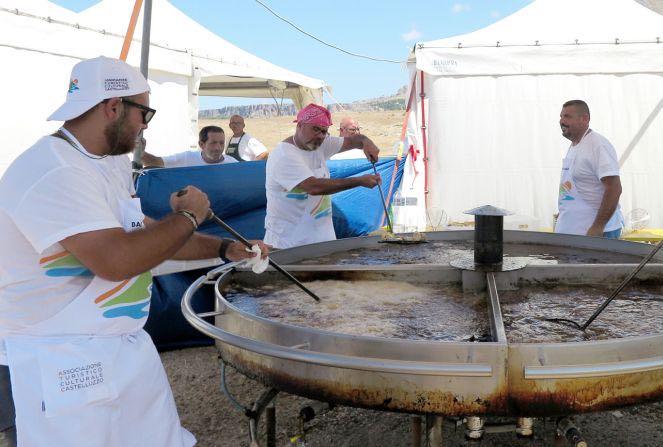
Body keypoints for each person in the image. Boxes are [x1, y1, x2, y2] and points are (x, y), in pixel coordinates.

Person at [0, 57, 267, 446]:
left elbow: (142, 236)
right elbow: (116, 259)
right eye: (145, 112)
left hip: (119, 345)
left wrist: (227, 248)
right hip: (57, 359)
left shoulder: (110, 164)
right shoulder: (52, 170)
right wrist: (191, 216)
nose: (145, 125)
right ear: (113, 107)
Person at [264, 103, 380, 249]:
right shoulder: (284, 155)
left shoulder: (320, 144)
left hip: (323, 244)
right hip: (289, 246)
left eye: (324, 131)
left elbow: (353, 140)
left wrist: (366, 141)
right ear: (299, 125)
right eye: (315, 129)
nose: (319, 136)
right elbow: (314, 187)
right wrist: (359, 181)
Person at [554, 99, 623, 238]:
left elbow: (614, 188)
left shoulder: (597, 145)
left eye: (567, 117)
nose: (561, 121)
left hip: (595, 235)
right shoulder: (575, 145)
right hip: (573, 233)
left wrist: (597, 227)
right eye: (561, 116)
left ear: (584, 118)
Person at [142, 125, 238, 168]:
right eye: (213, 143)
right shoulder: (187, 158)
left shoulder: (234, 165)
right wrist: (138, 151)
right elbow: (155, 162)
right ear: (201, 144)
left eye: (221, 143)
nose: (218, 148)